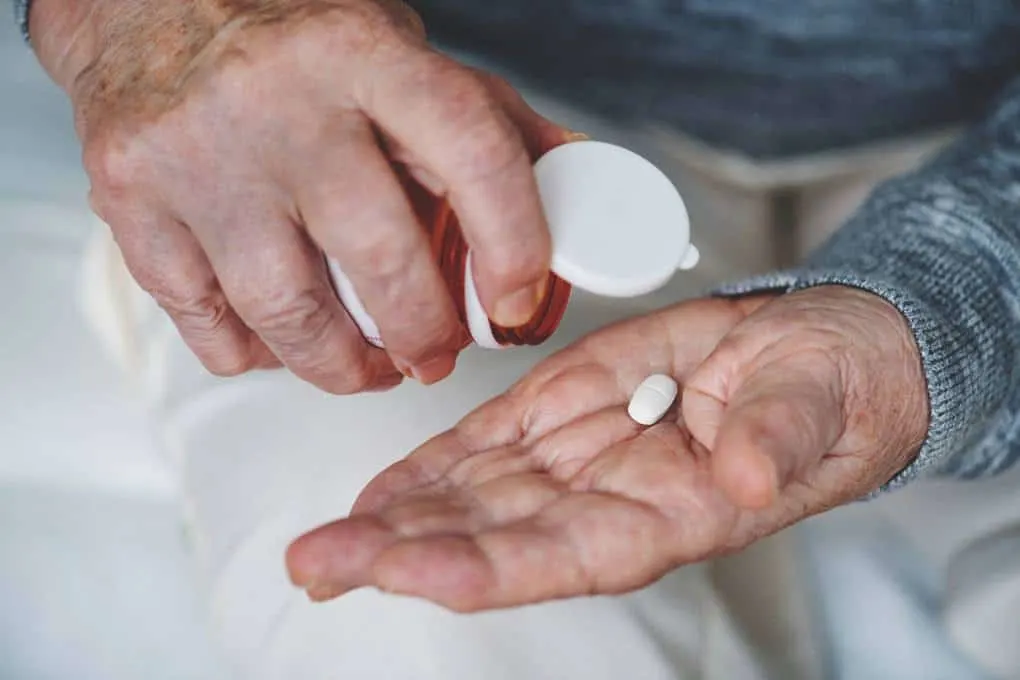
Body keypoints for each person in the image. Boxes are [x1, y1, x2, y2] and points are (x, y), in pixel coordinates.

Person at [14, 0, 1020, 676]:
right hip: (428, 107)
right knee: (414, 614)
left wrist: (946, 291)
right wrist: (135, 23)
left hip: (985, 133)